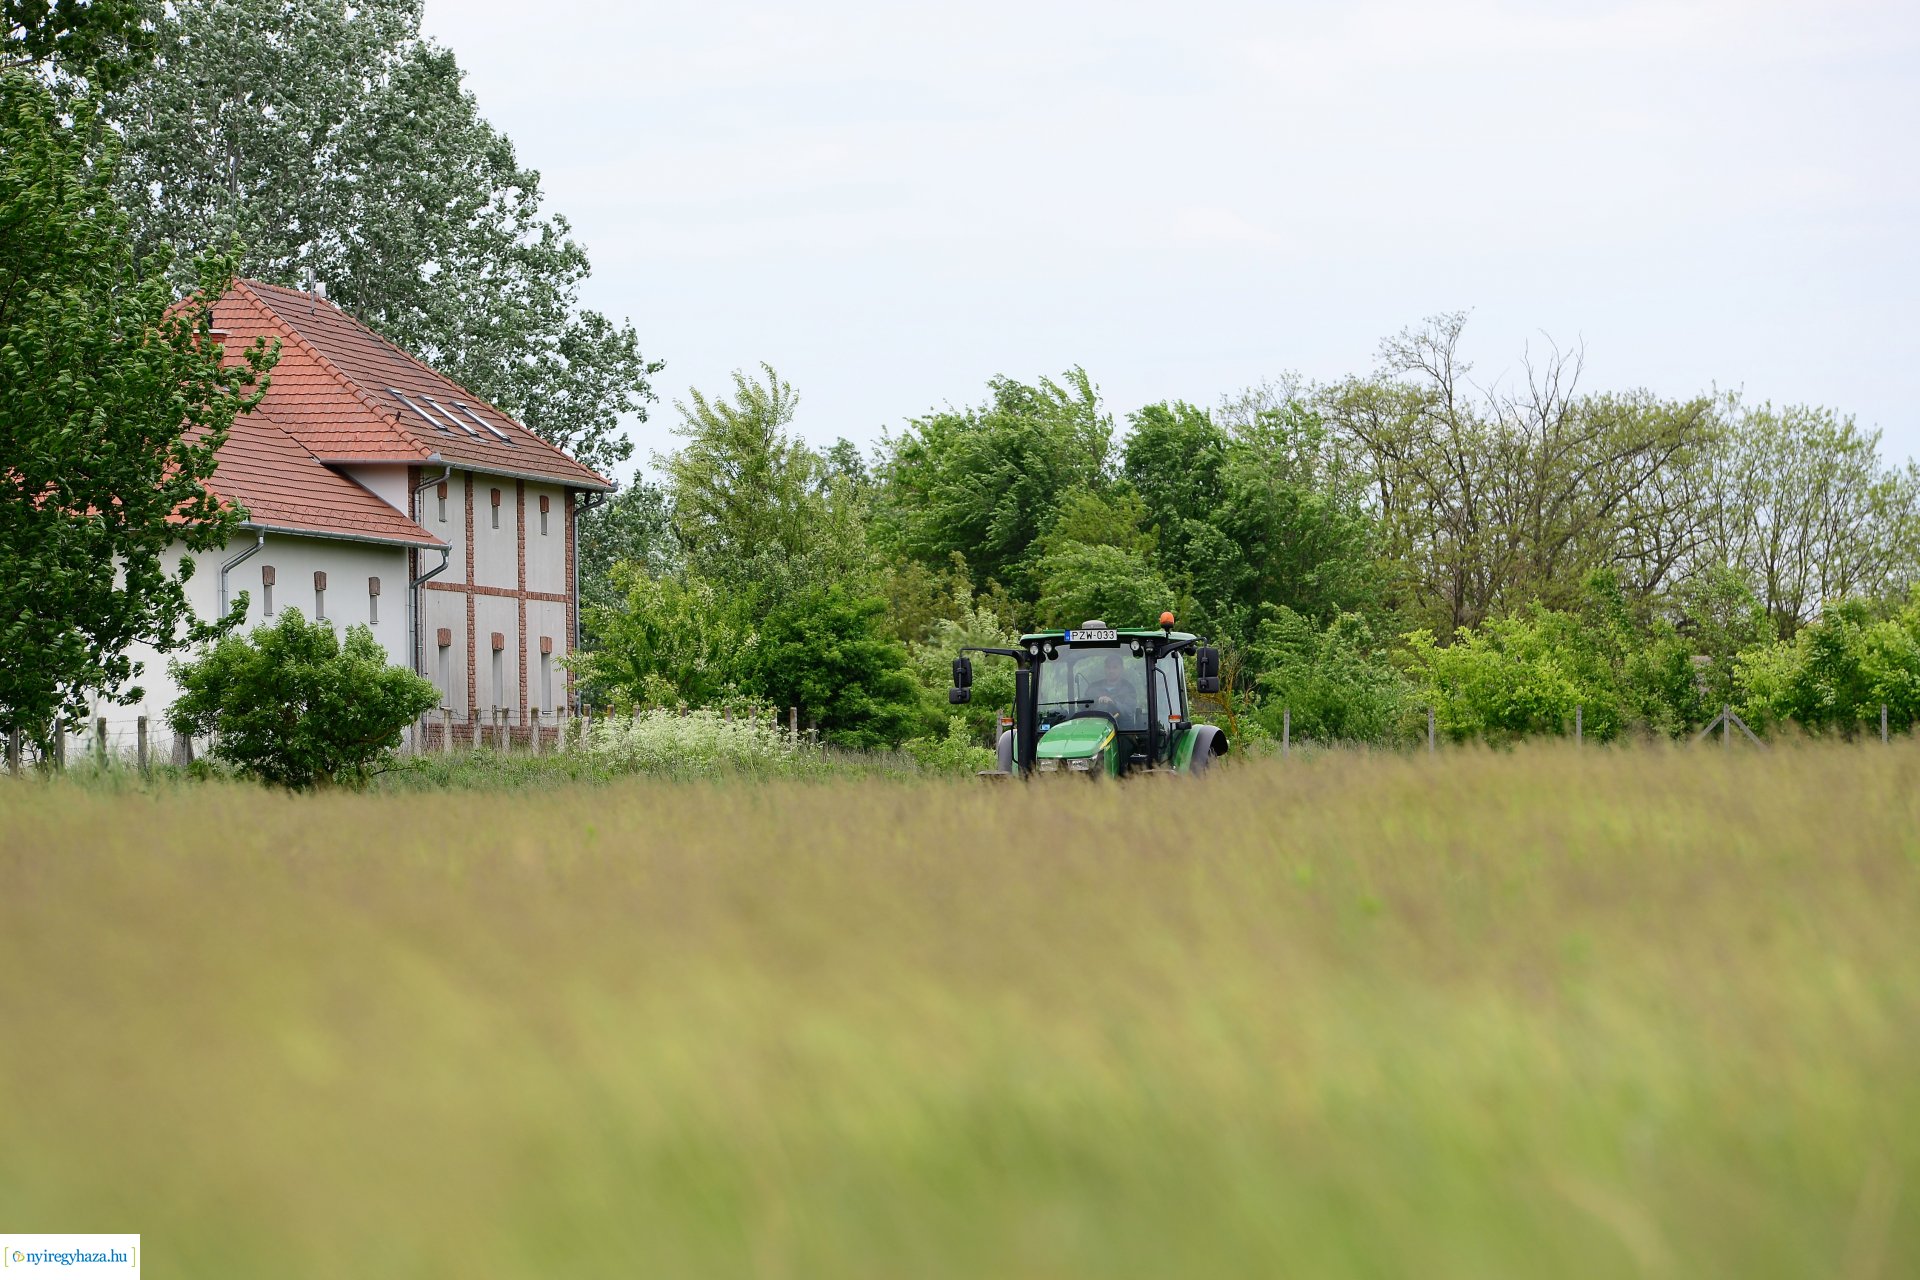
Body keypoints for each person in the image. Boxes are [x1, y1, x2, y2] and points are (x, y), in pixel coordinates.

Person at [1080, 651, 1142, 725]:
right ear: (1104, 668)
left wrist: (1113, 703)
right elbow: (1081, 705)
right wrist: (1096, 700)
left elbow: (1129, 712)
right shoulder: (1093, 688)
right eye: (1108, 667)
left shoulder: (1128, 689)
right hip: (1094, 728)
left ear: (1122, 669)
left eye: (1115, 667)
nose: (1111, 671)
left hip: (1121, 732)